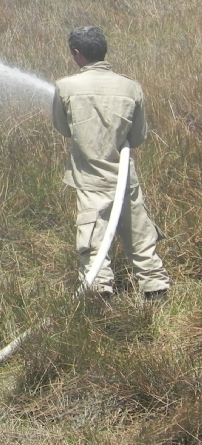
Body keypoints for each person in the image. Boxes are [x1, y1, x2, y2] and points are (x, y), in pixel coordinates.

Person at [51, 26, 171, 300]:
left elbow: (63, 128)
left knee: (93, 241)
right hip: (125, 178)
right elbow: (138, 137)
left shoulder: (65, 86)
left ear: (77, 53)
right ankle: (155, 289)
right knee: (139, 233)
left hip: (90, 180)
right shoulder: (131, 87)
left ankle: (100, 294)